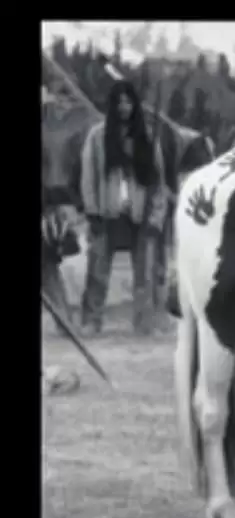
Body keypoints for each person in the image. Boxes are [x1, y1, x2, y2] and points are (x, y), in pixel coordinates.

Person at [79, 79, 168, 336]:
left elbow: (158, 182)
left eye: (129, 101)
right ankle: (91, 321)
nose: (124, 107)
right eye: (119, 102)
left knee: (145, 275)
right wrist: (92, 210)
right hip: (106, 213)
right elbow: (89, 176)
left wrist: (156, 216)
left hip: (139, 214)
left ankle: (144, 325)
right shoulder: (97, 137)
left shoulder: (148, 137)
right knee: (97, 272)